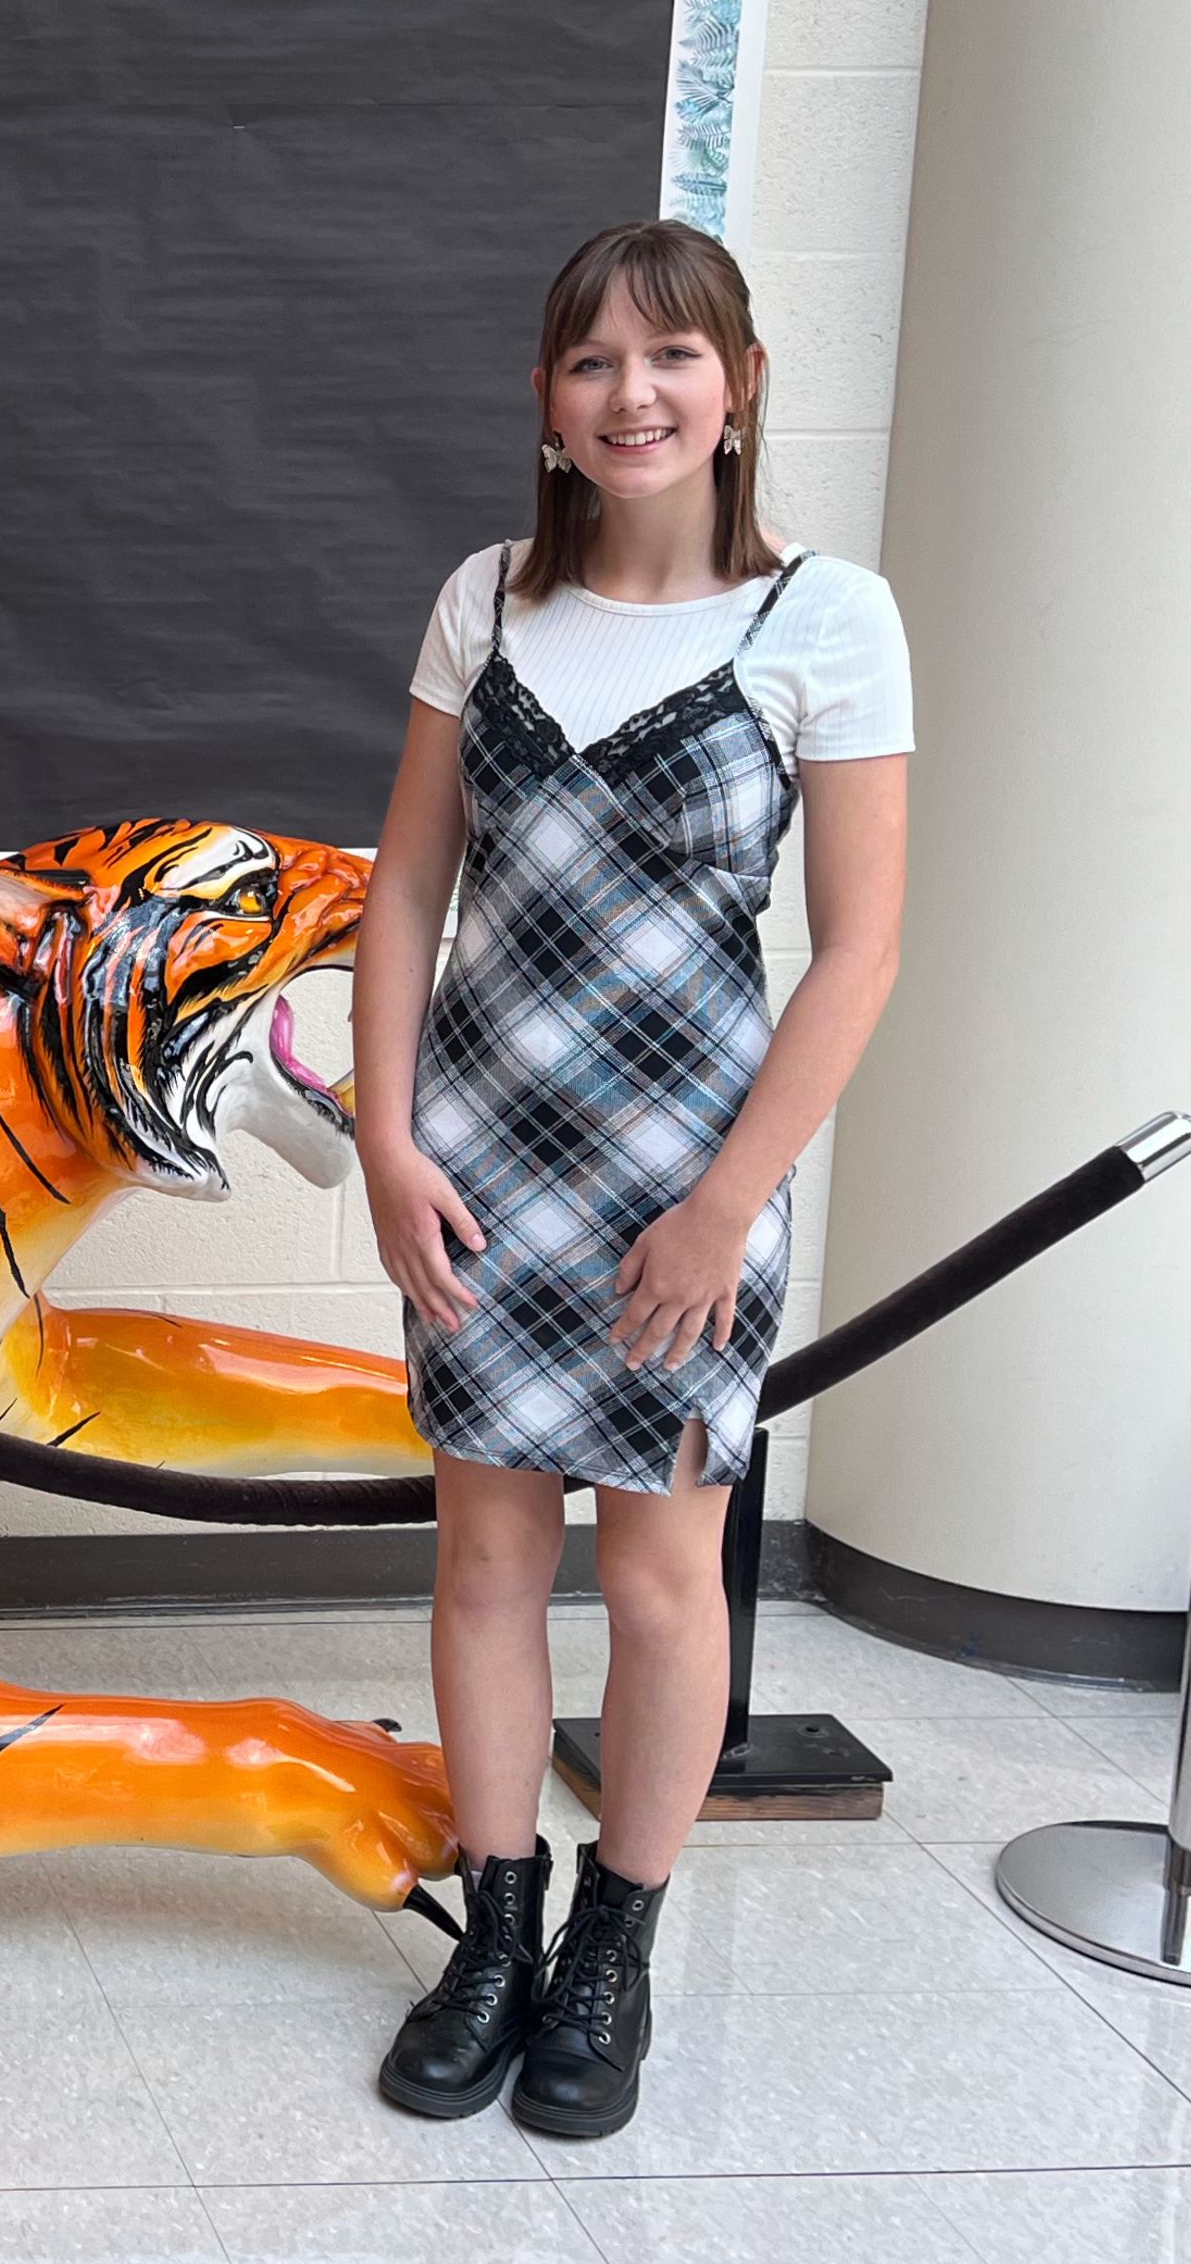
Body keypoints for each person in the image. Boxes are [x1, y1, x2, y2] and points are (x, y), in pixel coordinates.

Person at [352, 219, 910, 2141]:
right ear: (548, 405)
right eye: (592, 363)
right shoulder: (486, 603)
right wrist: (387, 1141)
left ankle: (618, 1941)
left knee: (666, 1578)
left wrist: (729, 1204)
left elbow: (859, 950)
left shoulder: (828, 621)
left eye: (673, 358)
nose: (634, 394)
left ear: (739, 384)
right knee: (489, 1555)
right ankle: (493, 1927)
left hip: (694, 1178)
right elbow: (410, 887)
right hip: (484, 1162)